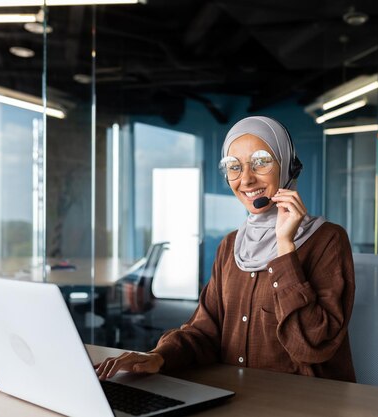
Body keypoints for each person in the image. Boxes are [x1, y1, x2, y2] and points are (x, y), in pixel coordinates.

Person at [96, 116, 356, 382]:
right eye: (234, 167)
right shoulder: (231, 246)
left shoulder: (328, 240)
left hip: (304, 402)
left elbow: (312, 345)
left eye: (261, 162)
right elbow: (206, 331)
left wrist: (285, 248)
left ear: (287, 165)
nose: (246, 179)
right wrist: (158, 356)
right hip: (237, 395)